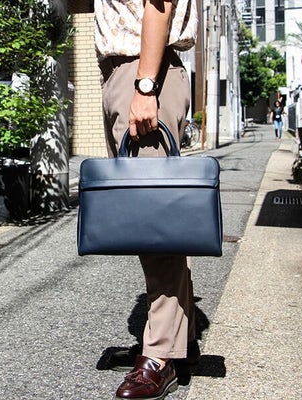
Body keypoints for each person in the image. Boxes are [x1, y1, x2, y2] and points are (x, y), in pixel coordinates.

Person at [94, 1, 199, 399]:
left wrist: (144, 86)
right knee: (154, 222)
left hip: (144, 72)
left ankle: (159, 357)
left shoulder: (144, 80)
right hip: (128, 73)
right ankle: (180, 342)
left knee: (156, 228)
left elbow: (161, 4)